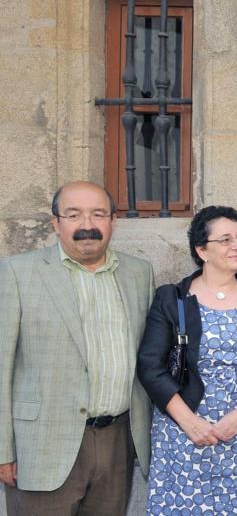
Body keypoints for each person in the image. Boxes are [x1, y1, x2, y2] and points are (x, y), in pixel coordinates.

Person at [0, 181, 154, 515]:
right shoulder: (16, 273)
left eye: (98, 214)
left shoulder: (138, 273)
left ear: (113, 220)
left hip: (117, 441)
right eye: (73, 214)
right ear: (55, 222)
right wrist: (3, 451)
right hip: (41, 445)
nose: (87, 225)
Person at [137, 205, 237, 515]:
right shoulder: (172, 298)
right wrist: (190, 423)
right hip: (183, 435)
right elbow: (150, 366)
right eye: (226, 239)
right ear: (202, 250)